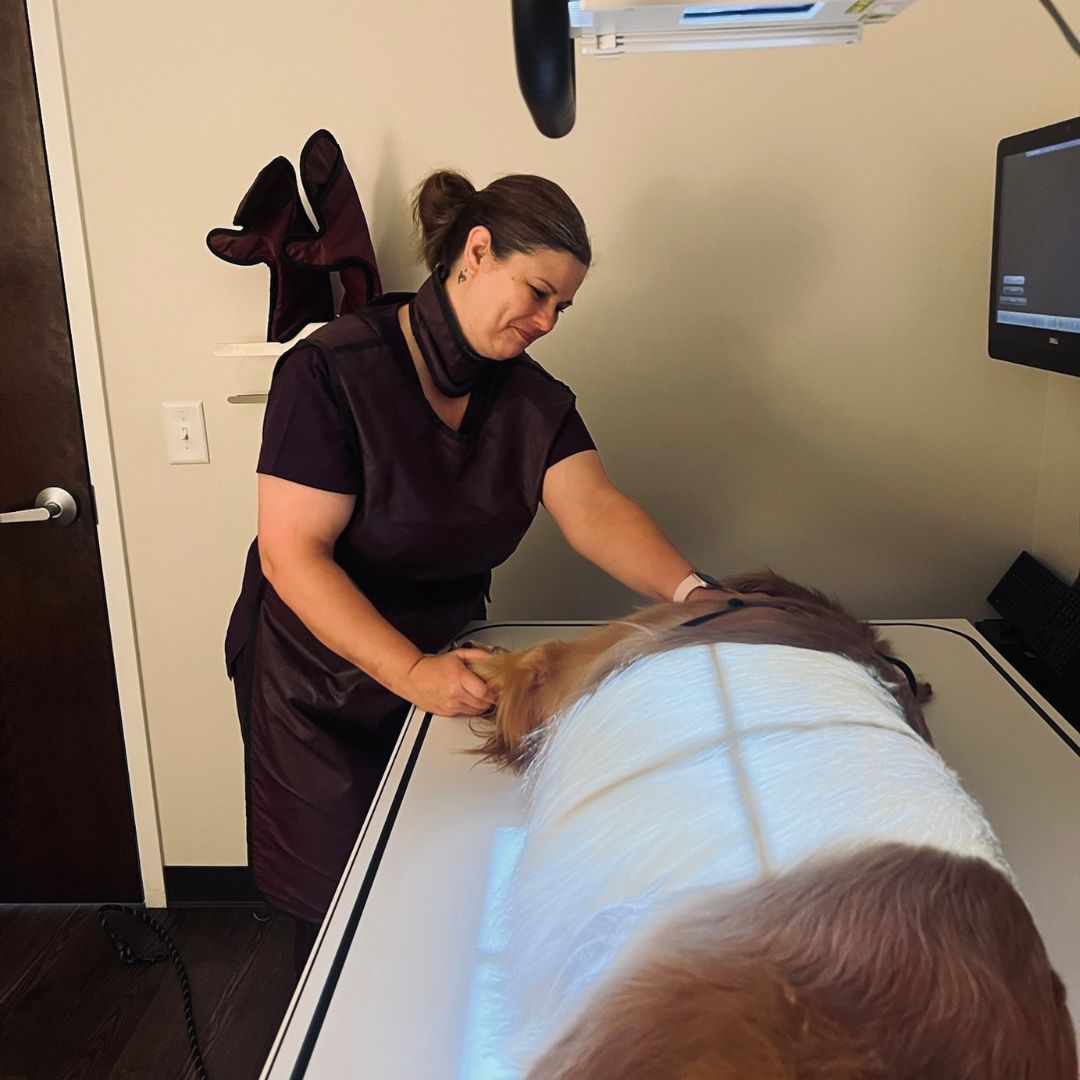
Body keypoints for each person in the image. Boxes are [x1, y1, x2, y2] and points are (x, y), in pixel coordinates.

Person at [224, 170, 721, 973]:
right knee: (340, 914)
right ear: (476, 252)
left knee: (437, 882)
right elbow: (292, 554)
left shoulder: (530, 401)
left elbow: (593, 508)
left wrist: (698, 594)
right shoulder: (330, 372)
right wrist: (408, 670)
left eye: (561, 308)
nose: (546, 321)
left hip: (447, 658)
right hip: (317, 680)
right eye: (536, 293)